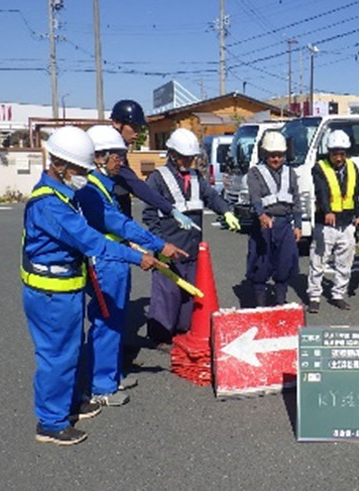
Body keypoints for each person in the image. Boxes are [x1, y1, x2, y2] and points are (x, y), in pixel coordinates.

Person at [22, 126, 163, 445]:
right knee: (55, 356)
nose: (84, 175)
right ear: (60, 165)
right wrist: (135, 256)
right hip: (50, 292)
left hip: (64, 287)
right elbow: (91, 241)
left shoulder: (63, 194)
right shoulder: (50, 205)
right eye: (80, 169)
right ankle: (51, 421)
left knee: (69, 352)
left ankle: (70, 402)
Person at [76, 125, 188, 406]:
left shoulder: (103, 184)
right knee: (106, 322)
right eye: (117, 157)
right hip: (102, 261)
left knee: (116, 320)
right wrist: (158, 245)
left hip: (115, 258)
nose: (121, 163)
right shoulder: (90, 189)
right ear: (99, 156)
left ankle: (111, 375)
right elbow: (118, 224)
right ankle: (100, 386)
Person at [142, 128, 240, 344]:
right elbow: (149, 215)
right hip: (168, 248)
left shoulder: (196, 177)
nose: (188, 162)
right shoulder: (158, 179)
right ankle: (160, 336)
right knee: (166, 295)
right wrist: (159, 244)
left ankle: (183, 332)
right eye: (184, 157)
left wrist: (226, 211)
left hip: (192, 249)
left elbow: (211, 197)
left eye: (191, 158)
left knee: (188, 296)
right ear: (172, 154)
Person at [108, 99, 194, 231]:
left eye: (139, 127)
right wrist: (170, 209)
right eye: (133, 127)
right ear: (116, 123)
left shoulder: (121, 151)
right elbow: (135, 185)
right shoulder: (110, 152)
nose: (137, 132)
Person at [306, 130, 359, 313]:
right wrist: (327, 210)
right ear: (328, 152)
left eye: (342, 153)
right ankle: (314, 296)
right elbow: (321, 192)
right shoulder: (319, 168)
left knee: (345, 262)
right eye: (334, 153)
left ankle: (338, 294)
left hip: (346, 222)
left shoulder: (353, 168)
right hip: (326, 222)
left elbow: (356, 195)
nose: (338, 158)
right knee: (319, 260)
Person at [246, 130, 302, 307]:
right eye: (272, 156)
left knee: (284, 263)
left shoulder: (290, 173)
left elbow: (297, 200)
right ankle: (260, 304)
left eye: (279, 155)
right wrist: (261, 214)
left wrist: (298, 224)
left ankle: (280, 302)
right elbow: (255, 197)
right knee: (261, 264)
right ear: (265, 155)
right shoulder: (255, 173)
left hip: (284, 224)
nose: (276, 159)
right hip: (264, 224)